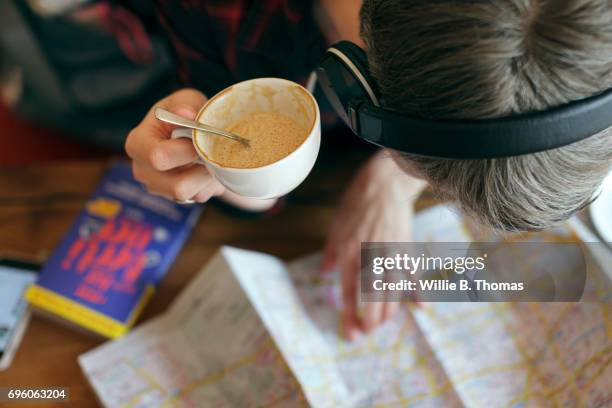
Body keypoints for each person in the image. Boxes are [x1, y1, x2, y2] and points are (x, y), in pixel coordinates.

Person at [125, 0, 612, 339]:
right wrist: (220, 170)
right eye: (431, 178)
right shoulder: (223, 16)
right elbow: (261, 202)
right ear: (355, 87)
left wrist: (391, 181)